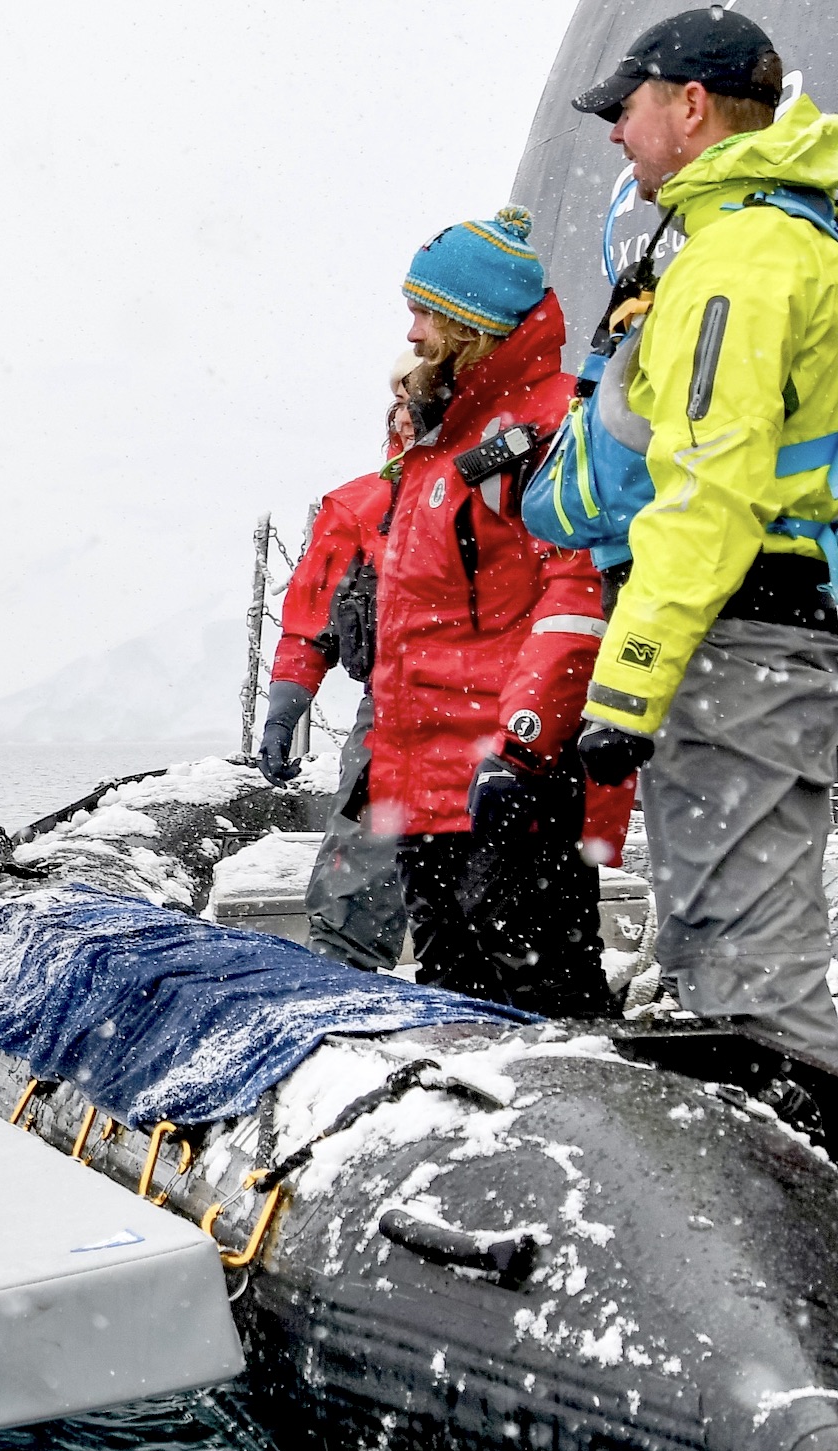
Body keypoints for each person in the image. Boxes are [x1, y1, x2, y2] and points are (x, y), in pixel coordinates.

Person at [566, 10, 838, 1069]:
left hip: (747, 642)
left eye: (624, 109)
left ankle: (799, 1207)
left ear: (688, 106)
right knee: (725, 966)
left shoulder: (741, 257)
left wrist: (627, 684)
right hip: (761, 637)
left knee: (757, 983)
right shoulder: (777, 238)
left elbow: (708, 490)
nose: (612, 134)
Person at [366, 208, 632, 1019]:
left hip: (505, 781)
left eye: (426, 313)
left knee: (546, 997)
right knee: (453, 997)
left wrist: (521, 747)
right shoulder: (437, 435)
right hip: (428, 782)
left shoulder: (547, 427)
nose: (410, 332)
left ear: (470, 324)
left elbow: (577, 593)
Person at [258, 354, 421, 970]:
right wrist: (285, 709)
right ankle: (342, 992)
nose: (411, 410)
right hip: (395, 711)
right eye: (403, 396)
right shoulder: (358, 506)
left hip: (505, 708)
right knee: (359, 872)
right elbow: (309, 618)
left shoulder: (520, 485)